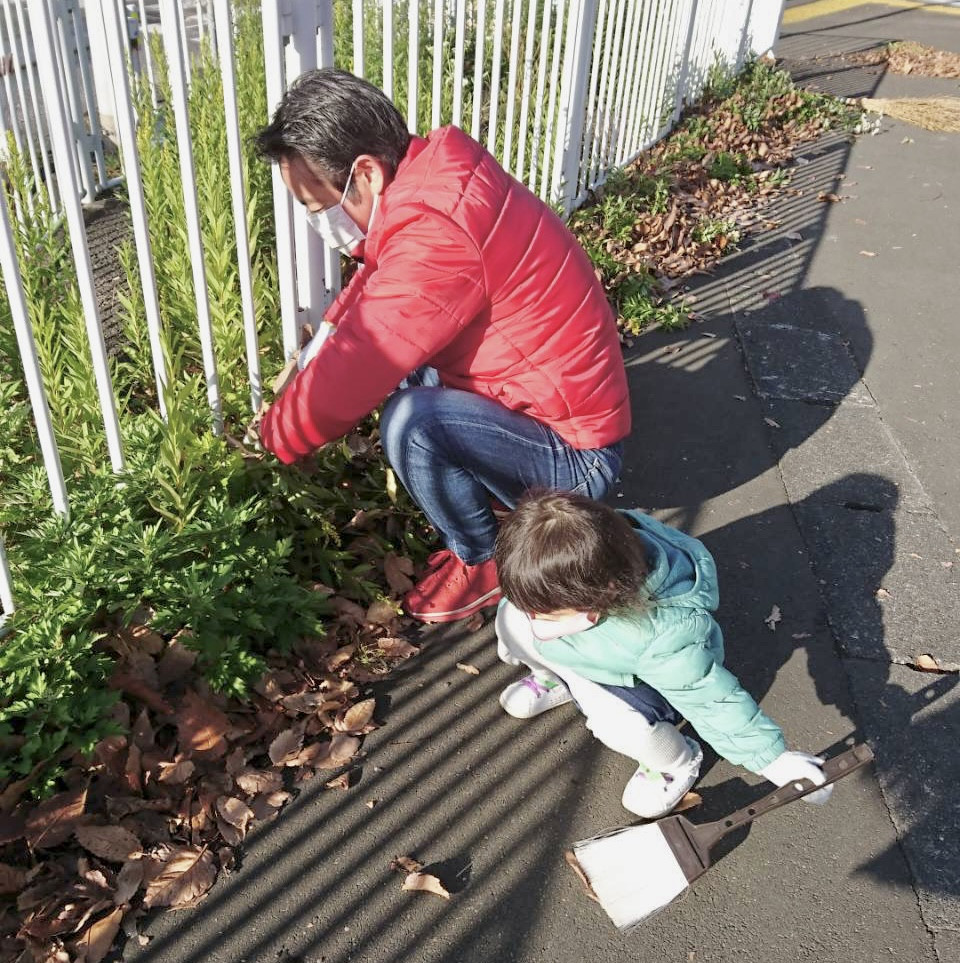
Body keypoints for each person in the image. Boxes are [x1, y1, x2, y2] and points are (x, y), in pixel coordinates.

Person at [253, 69, 630, 624]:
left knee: (412, 420)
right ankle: (489, 520)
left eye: (317, 206)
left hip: (577, 461)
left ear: (366, 174)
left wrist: (277, 436)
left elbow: (365, 354)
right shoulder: (435, 182)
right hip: (546, 409)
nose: (320, 223)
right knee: (412, 374)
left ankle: (485, 560)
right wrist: (317, 352)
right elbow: (370, 299)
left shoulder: (437, 232)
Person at [493, 490, 833, 818]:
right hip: (590, 650)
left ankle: (674, 762)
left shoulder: (662, 635)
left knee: (618, 724)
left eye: (548, 612)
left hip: (641, 677)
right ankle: (554, 679)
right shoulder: (600, 549)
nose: (535, 617)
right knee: (511, 618)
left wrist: (771, 759)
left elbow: (708, 698)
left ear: (603, 594)